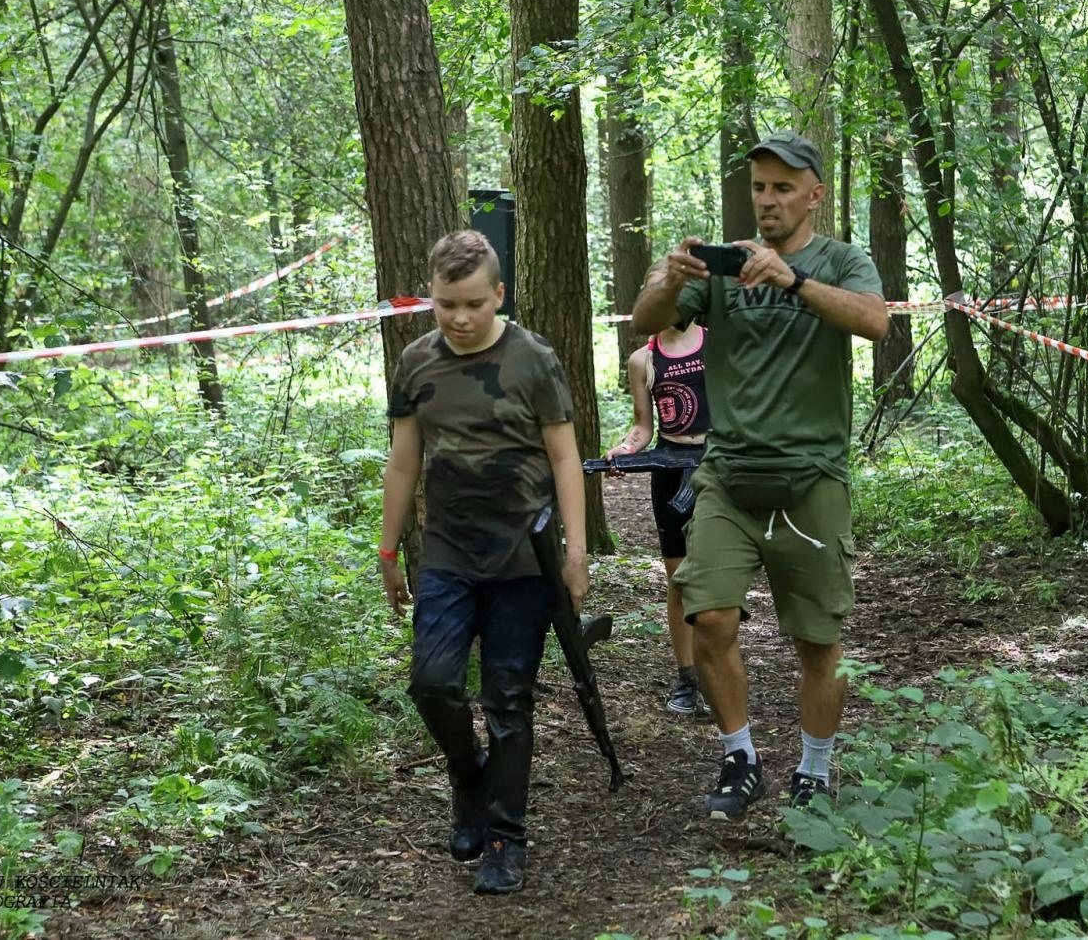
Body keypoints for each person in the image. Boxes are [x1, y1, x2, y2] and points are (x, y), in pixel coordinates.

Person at [630, 130, 888, 820]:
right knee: (708, 616)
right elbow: (646, 323)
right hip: (727, 475)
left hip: (812, 479)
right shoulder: (723, 266)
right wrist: (669, 278)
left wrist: (794, 280)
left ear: (814, 194)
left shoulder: (842, 260)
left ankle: (815, 769)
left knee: (817, 641)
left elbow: (875, 323)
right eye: (758, 188)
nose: (768, 200)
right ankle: (739, 757)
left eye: (782, 187)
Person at [378, 229, 590, 895]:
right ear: (431, 301)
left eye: (473, 303)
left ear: (498, 294)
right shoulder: (416, 362)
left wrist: (576, 551)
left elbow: (564, 457)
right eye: (447, 304)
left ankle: (506, 837)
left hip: (523, 559)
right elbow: (404, 459)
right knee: (432, 682)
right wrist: (387, 550)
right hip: (446, 551)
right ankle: (467, 775)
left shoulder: (533, 359)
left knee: (508, 700)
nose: (461, 318)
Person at [604, 319, 710, 715]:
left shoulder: (716, 345)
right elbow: (643, 426)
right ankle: (687, 679)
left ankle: (721, 670)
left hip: (717, 466)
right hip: (669, 469)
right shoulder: (642, 359)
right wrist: (626, 449)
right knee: (678, 577)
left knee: (719, 574)